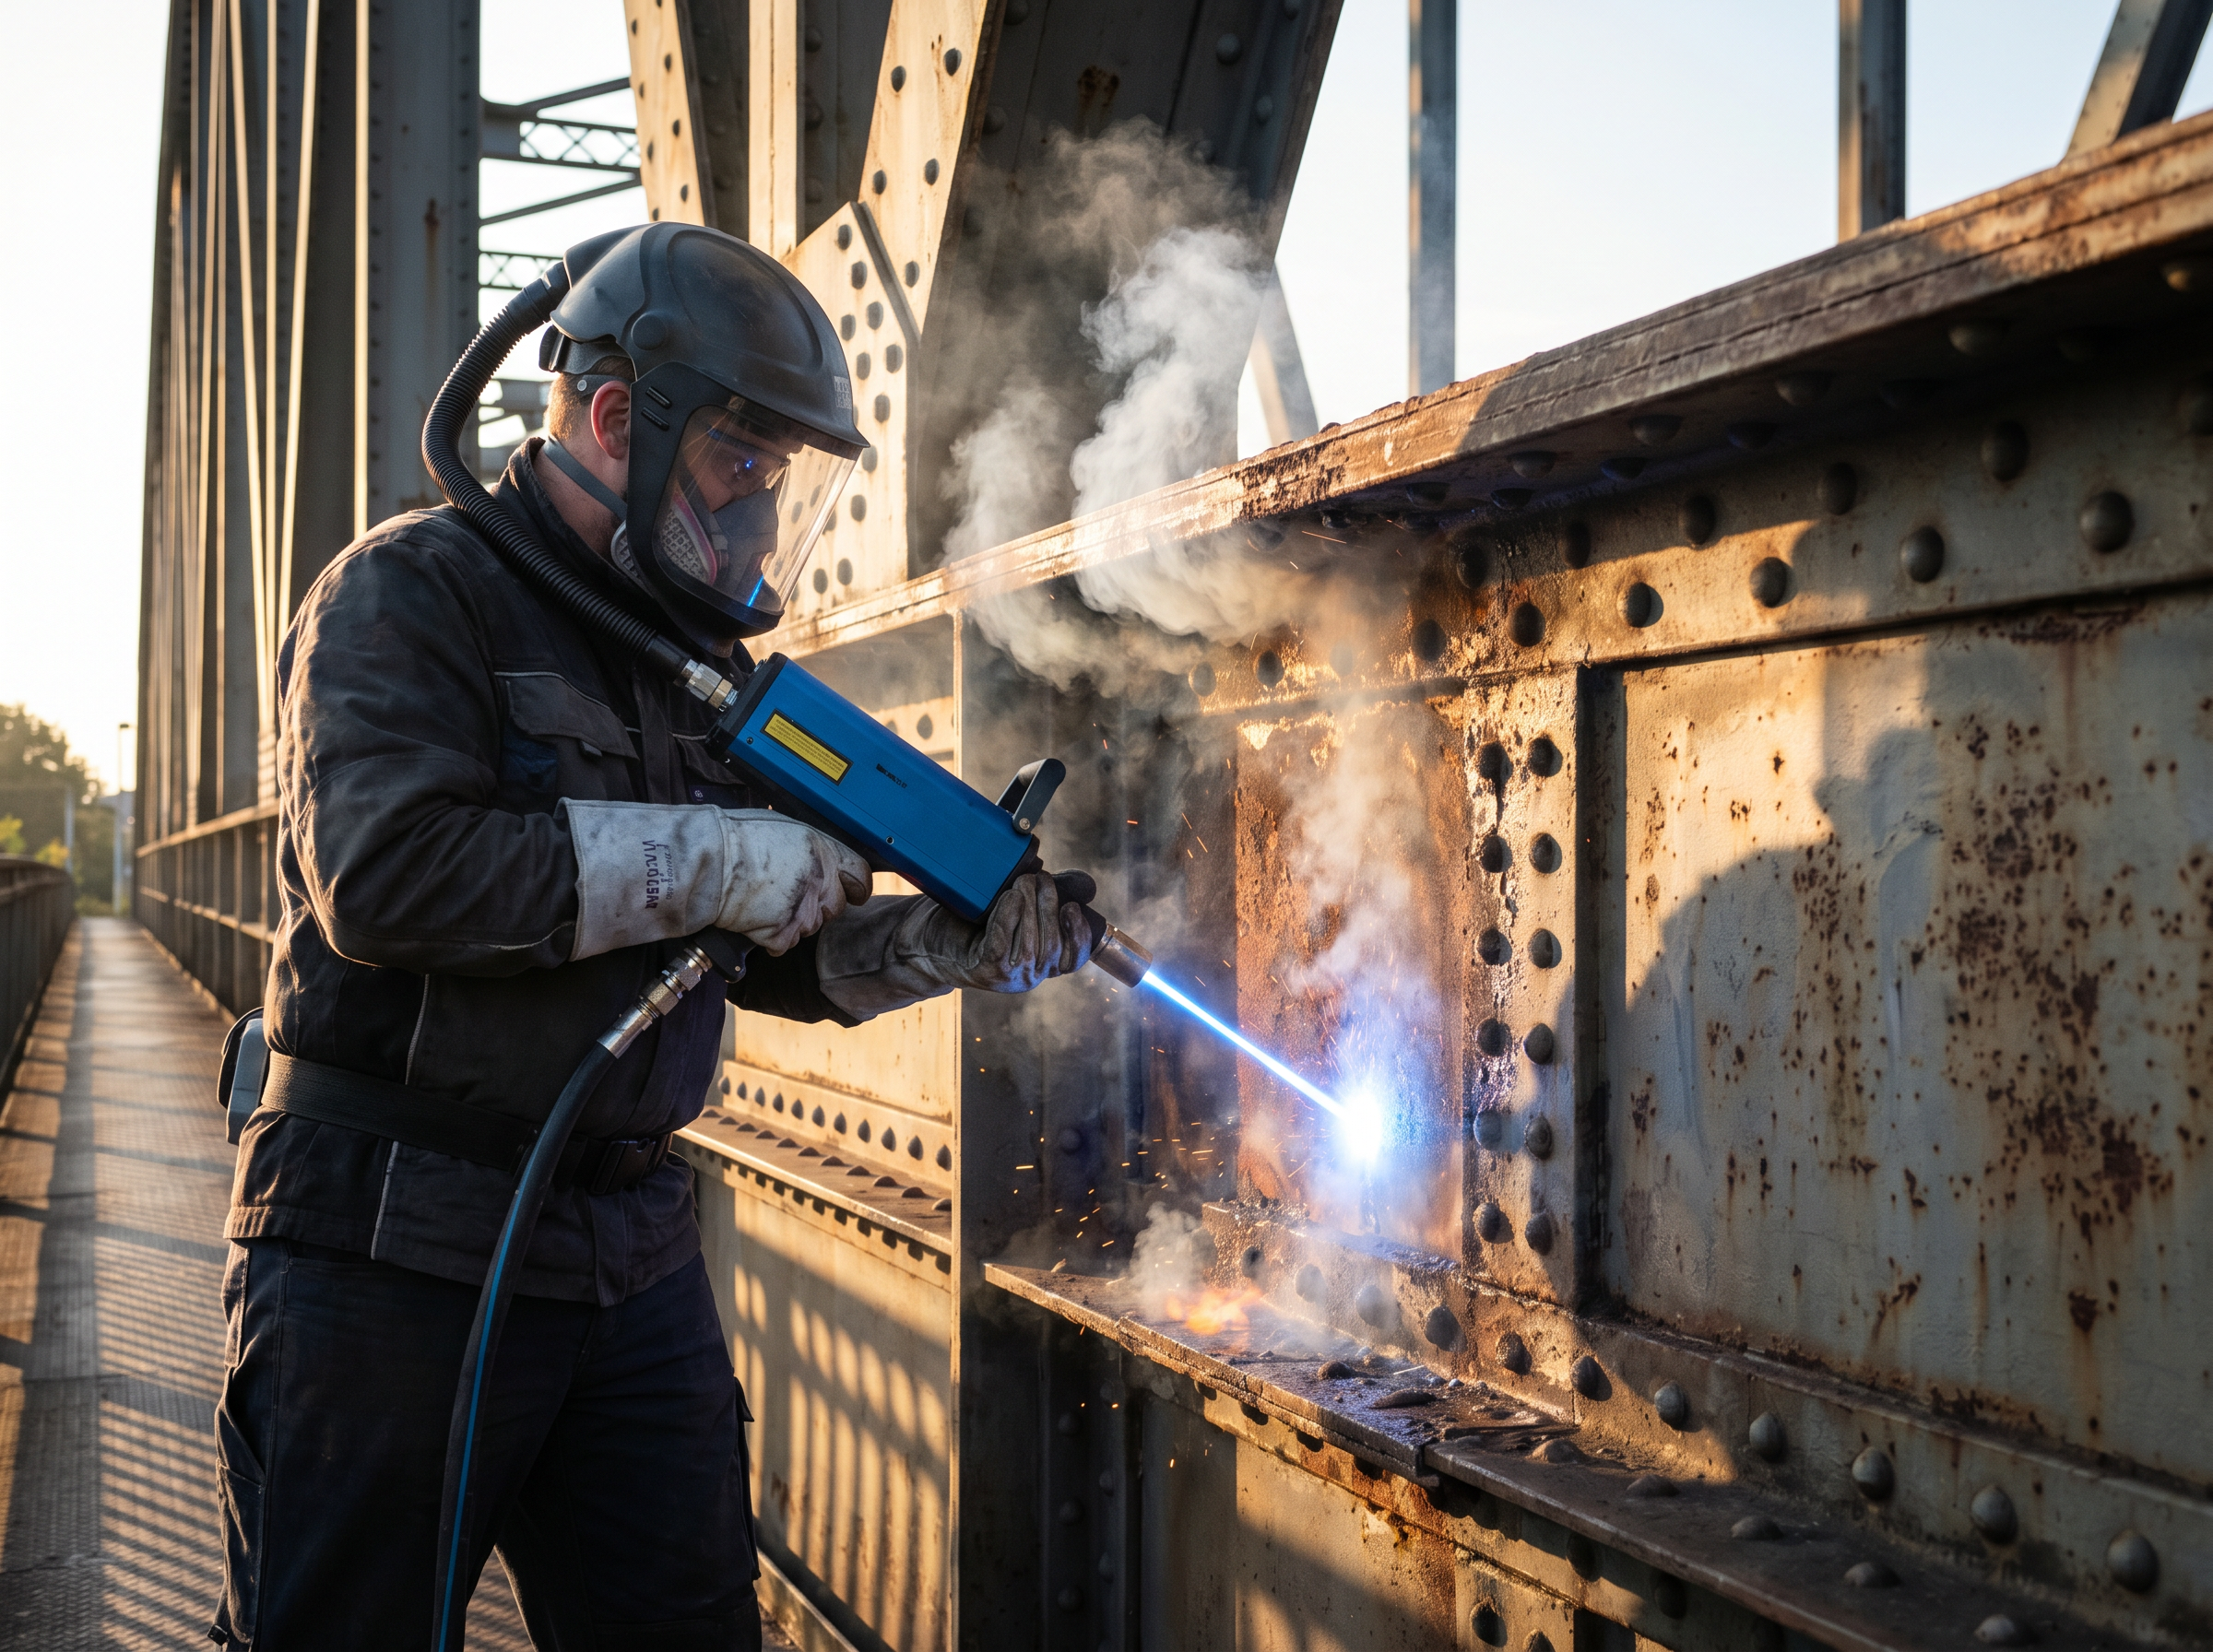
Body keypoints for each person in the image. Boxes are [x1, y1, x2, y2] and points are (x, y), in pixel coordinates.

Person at [209, 222, 1095, 1650]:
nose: (759, 512)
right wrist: (724, 855)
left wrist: (949, 945)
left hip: (626, 1255)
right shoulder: (408, 591)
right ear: (619, 418)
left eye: (778, 478)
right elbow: (384, 877)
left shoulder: (698, 672)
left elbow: (770, 950)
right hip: (388, 1244)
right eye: (741, 461)